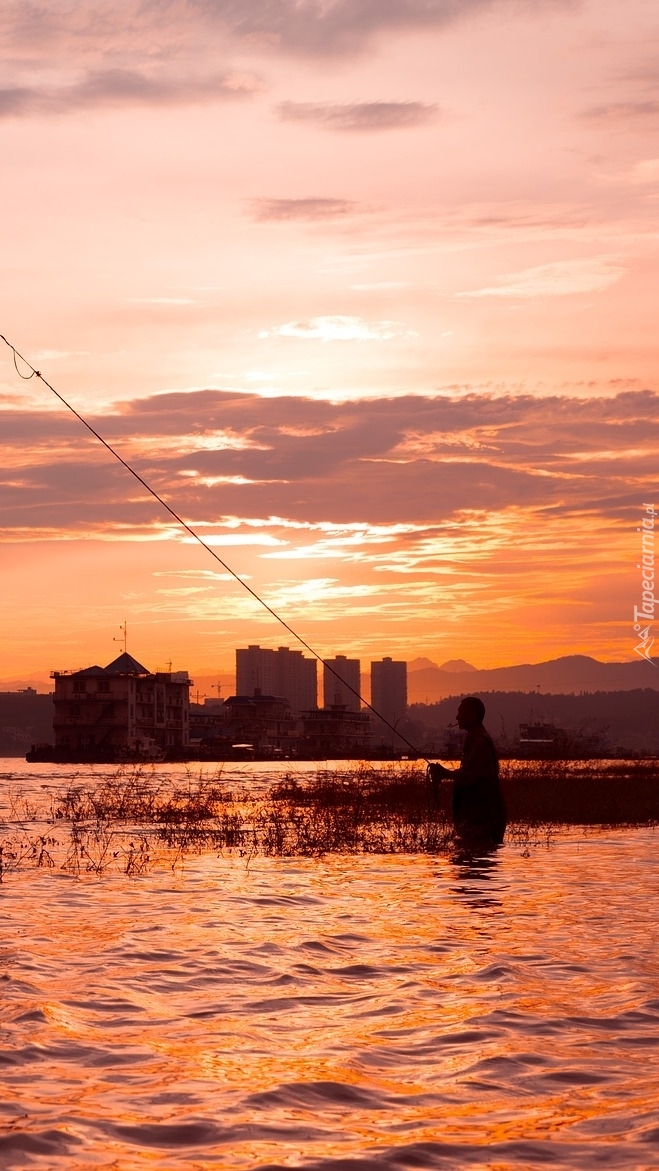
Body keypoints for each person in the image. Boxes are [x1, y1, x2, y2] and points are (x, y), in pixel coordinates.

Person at [429, 696, 506, 846]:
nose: (457, 717)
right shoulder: (473, 739)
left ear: (472, 715)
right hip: (477, 817)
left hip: (485, 819)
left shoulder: (480, 742)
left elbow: (469, 777)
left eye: (460, 712)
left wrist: (445, 773)